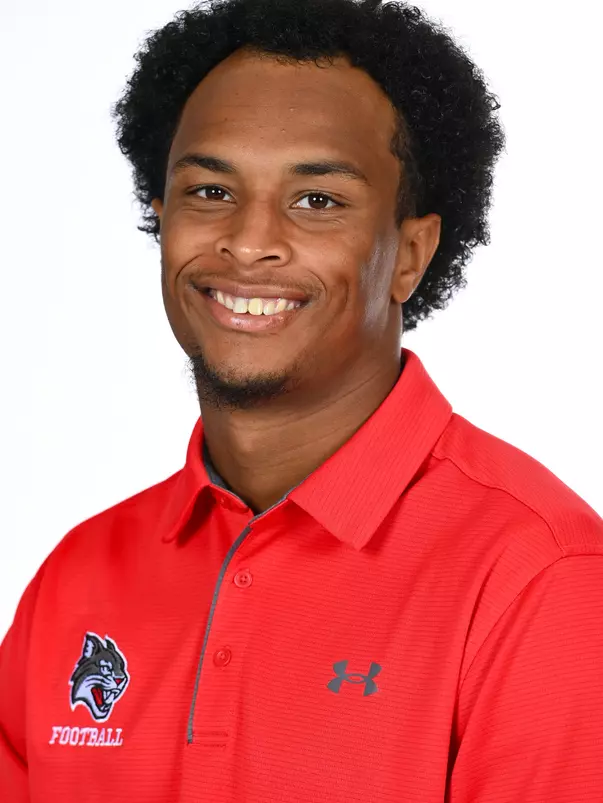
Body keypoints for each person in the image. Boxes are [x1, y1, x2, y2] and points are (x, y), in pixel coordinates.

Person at [1, 0, 602, 799]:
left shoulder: (540, 579)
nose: (248, 241)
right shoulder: (77, 577)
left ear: (410, 254)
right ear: (161, 220)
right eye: (210, 190)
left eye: (316, 200)